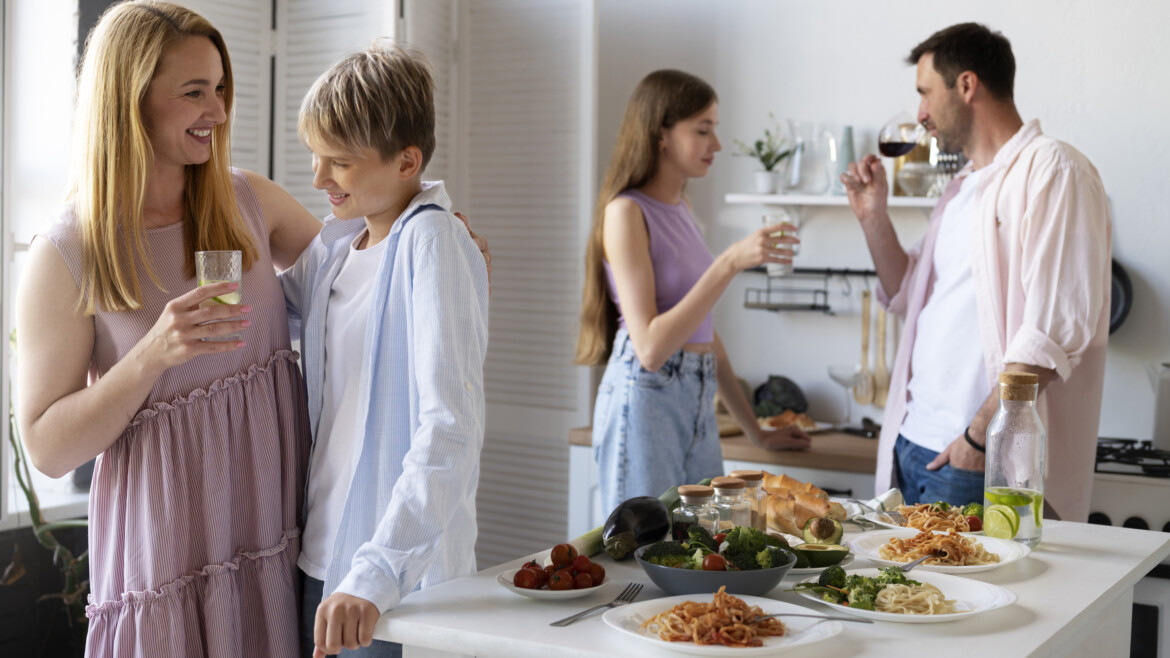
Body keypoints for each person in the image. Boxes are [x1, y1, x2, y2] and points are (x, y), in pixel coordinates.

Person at [14, 2, 321, 655]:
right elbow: (45, 445)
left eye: (219, 89)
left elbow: (361, 270)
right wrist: (149, 356)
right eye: (193, 92)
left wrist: (427, 230)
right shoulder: (68, 253)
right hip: (165, 567)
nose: (217, 111)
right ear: (129, 101)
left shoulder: (247, 203)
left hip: (270, 536)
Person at [840, 23, 1111, 521]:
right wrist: (873, 218)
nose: (920, 114)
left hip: (975, 459)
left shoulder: (1053, 170)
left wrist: (978, 436)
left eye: (925, 93)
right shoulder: (961, 188)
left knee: (992, 600)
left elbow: (1052, 332)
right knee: (911, 601)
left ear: (966, 86)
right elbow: (905, 295)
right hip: (911, 447)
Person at [279, 43, 489, 657]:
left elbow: (450, 427)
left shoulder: (434, 242)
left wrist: (376, 574)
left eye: (338, 163)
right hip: (320, 555)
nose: (319, 180)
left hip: (391, 582)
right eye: (316, 159)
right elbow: (264, 313)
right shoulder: (335, 250)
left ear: (407, 162)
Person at [576, 69, 811, 519]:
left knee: (705, 546)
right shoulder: (626, 212)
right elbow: (650, 348)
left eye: (714, 129)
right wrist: (729, 263)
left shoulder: (681, 207)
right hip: (648, 399)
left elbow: (703, 333)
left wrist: (756, 432)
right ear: (660, 134)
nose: (716, 144)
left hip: (696, 396)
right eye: (702, 130)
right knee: (646, 558)